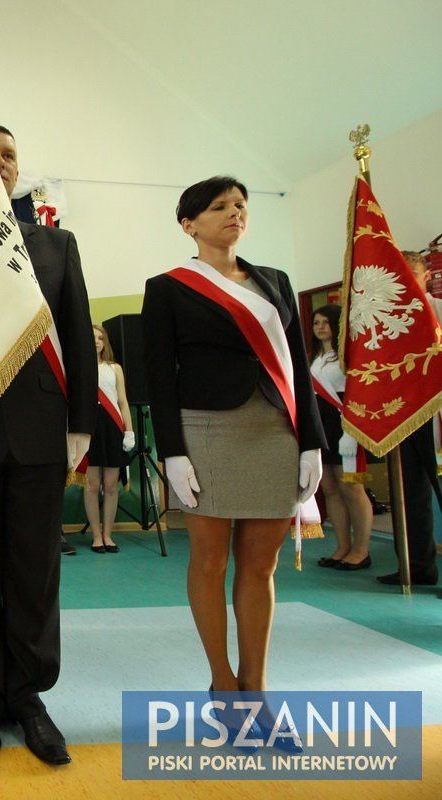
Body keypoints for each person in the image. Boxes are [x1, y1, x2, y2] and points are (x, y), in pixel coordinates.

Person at [0, 125, 97, 765]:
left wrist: (81, 421)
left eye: (8, 156)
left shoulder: (55, 244)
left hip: (38, 427)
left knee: (35, 571)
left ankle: (29, 696)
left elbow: (79, 335)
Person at [142, 176, 324, 699]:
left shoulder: (275, 281)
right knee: (209, 561)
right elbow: (160, 375)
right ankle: (223, 684)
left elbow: (298, 368)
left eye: (240, 205)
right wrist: (172, 451)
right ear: (189, 224)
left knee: (262, 565)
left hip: (274, 430)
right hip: (206, 431)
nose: (234, 213)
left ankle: (256, 688)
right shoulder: (168, 286)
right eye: (219, 207)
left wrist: (310, 439)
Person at [376, 251, 441, 587]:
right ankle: (418, 566)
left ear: (426, 275)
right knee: (409, 493)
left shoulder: (438, 310)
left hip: (437, 414)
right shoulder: (390, 319)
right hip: (404, 415)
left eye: (410, 273)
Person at [309, 304, 374, 571]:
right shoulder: (315, 357)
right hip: (322, 424)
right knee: (330, 488)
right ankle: (342, 546)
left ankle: (361, 550)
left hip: (345, 424)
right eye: (316, 322)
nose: (320, 327)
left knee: (352, 488)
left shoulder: (349, 356)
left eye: (325, 322)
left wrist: (352, 429)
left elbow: (358, 393)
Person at [84, 324, 135, 553]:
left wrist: (129, 431)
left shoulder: (115, 368)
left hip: (113, 427)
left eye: (100, 338)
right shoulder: (79, 367)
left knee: (111, 485)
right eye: (92, 337)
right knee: (93, 485)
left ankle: (108, 534)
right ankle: (96, 536)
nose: (96, 341)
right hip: (91, 429)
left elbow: (122, 401)